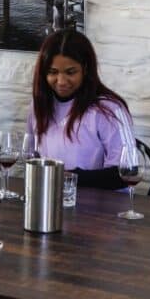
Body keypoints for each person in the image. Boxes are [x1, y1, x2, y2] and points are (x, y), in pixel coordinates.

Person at [26, 29, 130, 189]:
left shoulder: (109, 109)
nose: (61, 81)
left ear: (86, 69)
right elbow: (31, 156)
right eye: (53, 72)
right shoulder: (39, 105)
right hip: (51, 199)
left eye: (70, 72)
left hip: (100, 205)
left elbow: (126, 172)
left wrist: (70, 178)